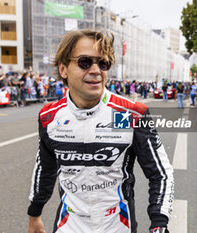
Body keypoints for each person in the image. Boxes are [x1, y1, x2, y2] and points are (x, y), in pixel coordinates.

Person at [27, 29, 174, 233]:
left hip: (117, 226)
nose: (96, 70)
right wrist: (35, 213)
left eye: (103, 63)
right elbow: (45, 167)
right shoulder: (49, 116)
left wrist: (159, 223)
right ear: (63, 69)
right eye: (85, 62)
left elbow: (161, 173)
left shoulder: (132, 114)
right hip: (69, 225)